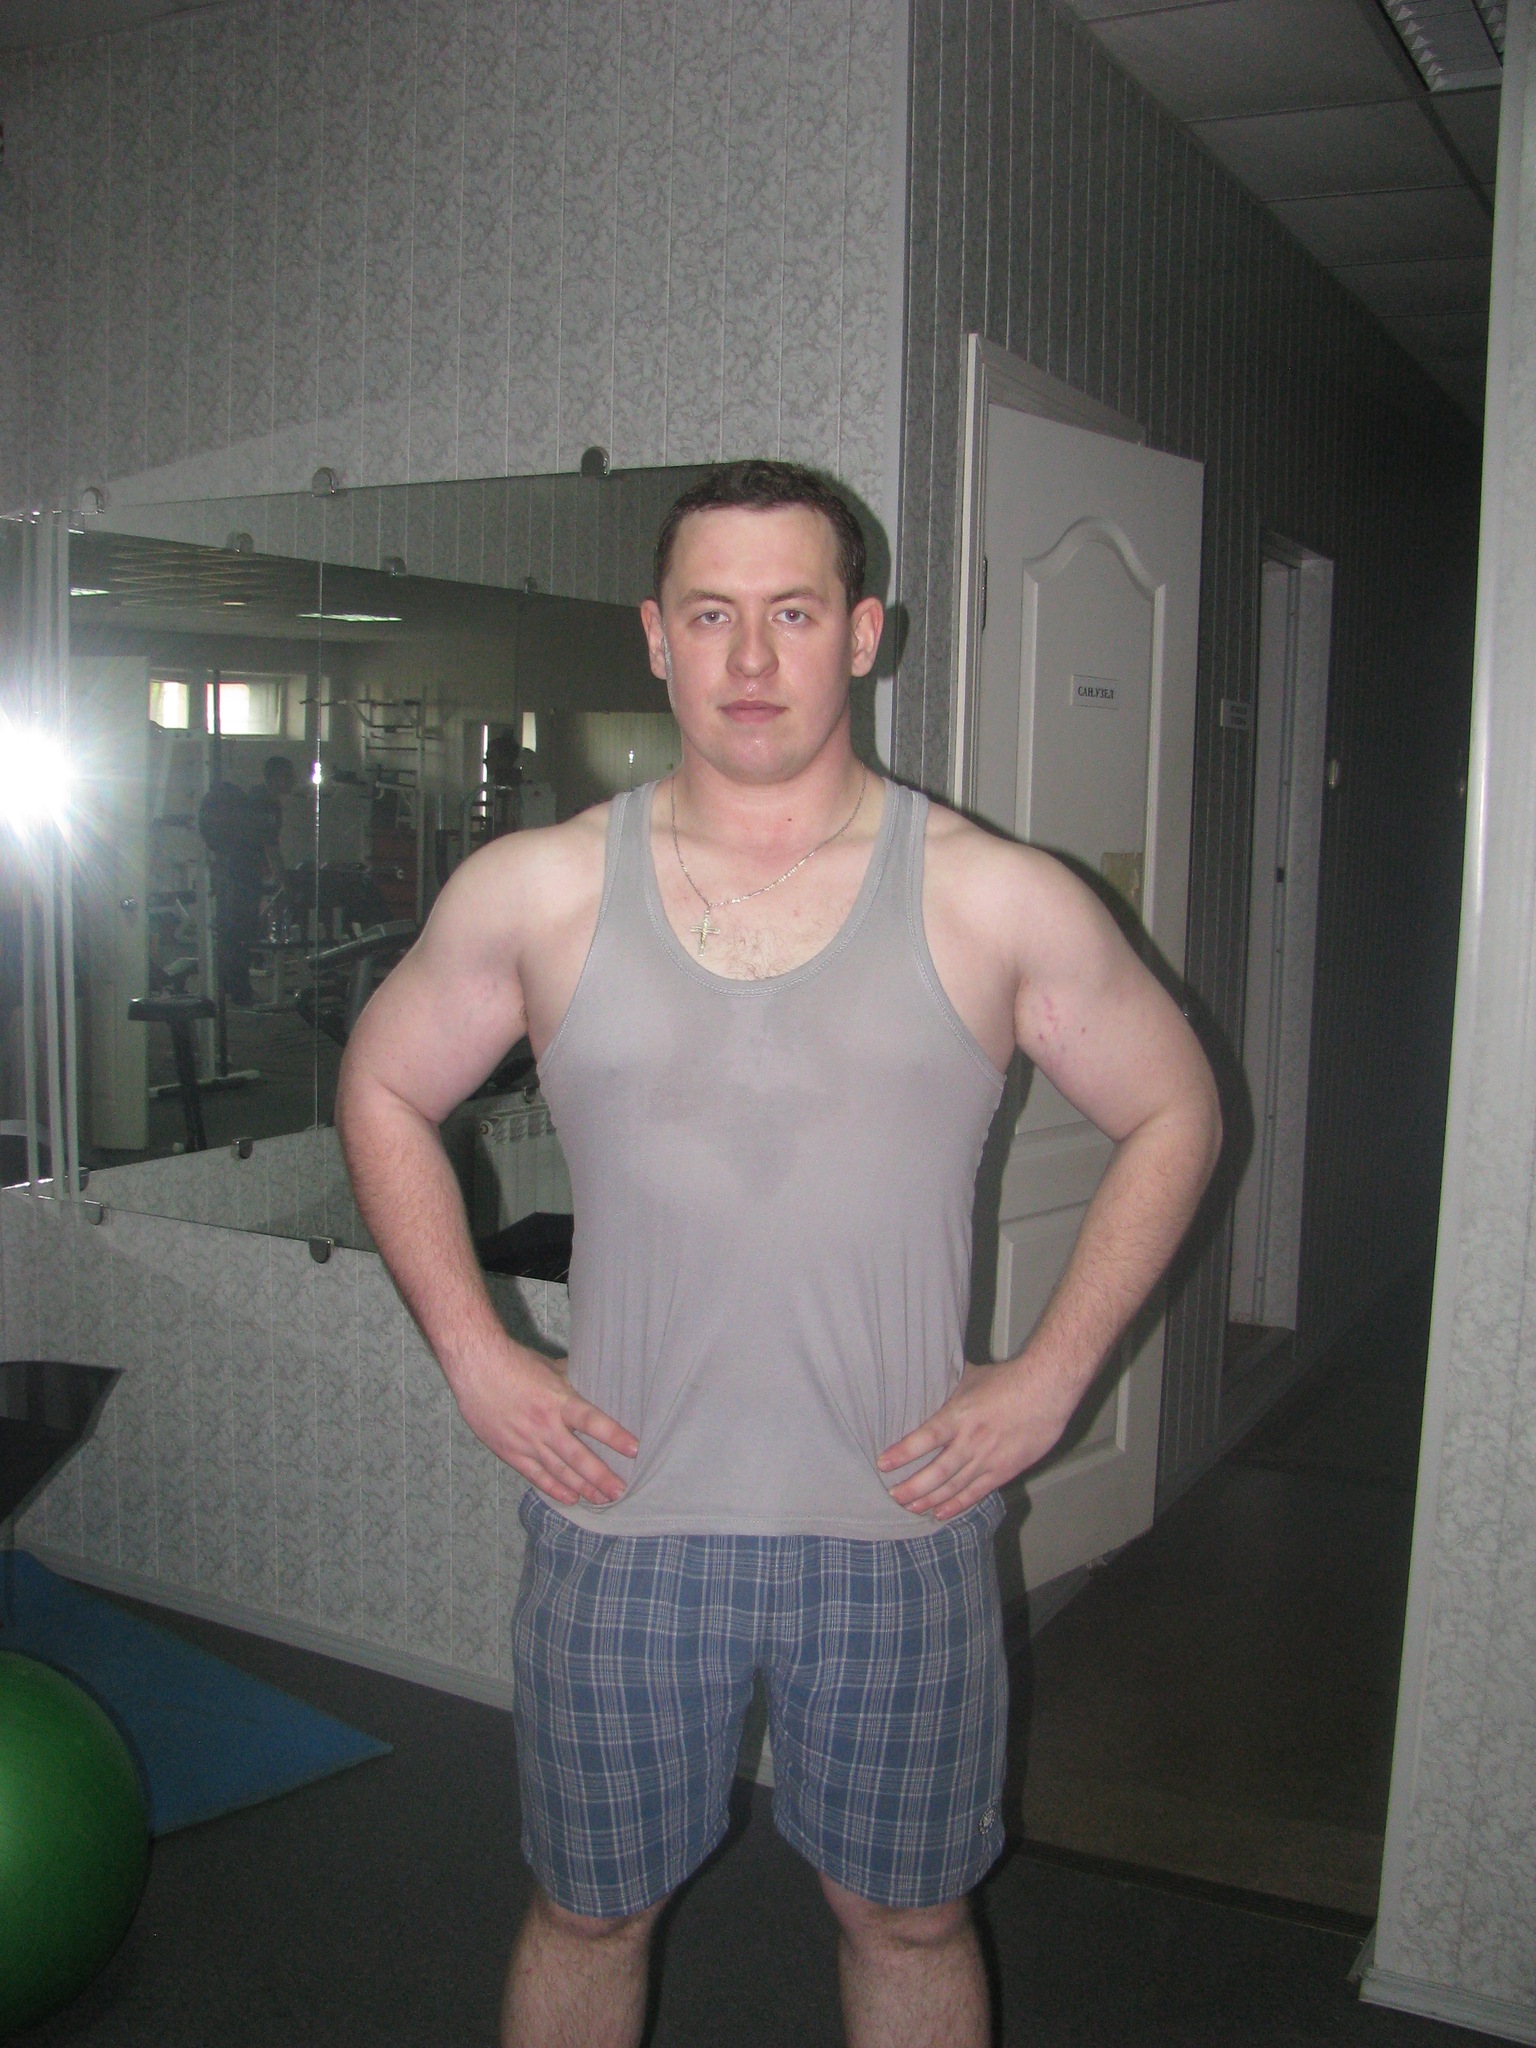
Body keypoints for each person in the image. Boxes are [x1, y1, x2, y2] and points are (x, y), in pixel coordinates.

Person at [334, 461, 1222, 2048]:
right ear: (655, 637)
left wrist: (1053, 1376)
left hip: (899, 1523)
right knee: (589, 1908)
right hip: (622, 1517)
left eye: (795, 614)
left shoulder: (994, 896)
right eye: (712, 615)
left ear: (864, 635)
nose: (751, 660)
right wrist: (474, 1349)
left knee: (911, 1916)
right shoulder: (538, 889)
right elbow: (384, 1087)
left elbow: (1177, 1111)